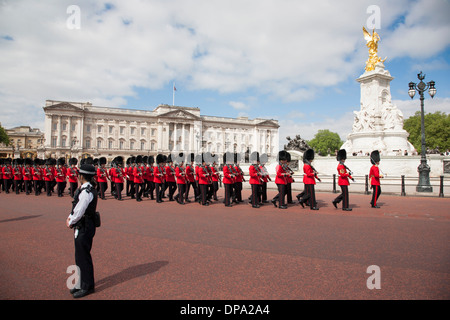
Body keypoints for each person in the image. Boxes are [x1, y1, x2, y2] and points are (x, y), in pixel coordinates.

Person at [66, 163, 98, 298]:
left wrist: (70, 220)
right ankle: (83, 282)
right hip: (84, 225)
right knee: (81, 256)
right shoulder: (86, 189)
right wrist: (71, 217)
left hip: (84, 225)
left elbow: (79, 211)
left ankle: (87, 286)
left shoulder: (86, 192)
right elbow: (76, 207)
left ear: (81, 176)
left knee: (83, 257)